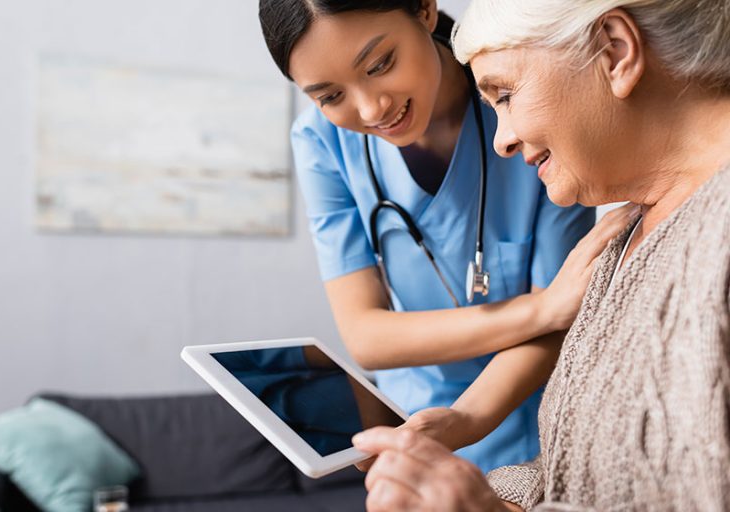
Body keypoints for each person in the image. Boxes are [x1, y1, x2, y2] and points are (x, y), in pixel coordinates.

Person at [353, 0, 730, 510]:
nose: (502, 141)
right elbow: (573, 475)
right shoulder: (626, 232)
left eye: (505, 94)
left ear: (614, 52)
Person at [258, 0, 625, 474]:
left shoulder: (521, 103)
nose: (371, 108)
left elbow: (559, 325)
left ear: (425, 10)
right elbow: (367, 338)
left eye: (379, 64)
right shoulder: (320, 142)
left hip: (533, 433)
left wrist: (465, 420)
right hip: (409, 433)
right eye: (330, 97)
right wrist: (540, 308)